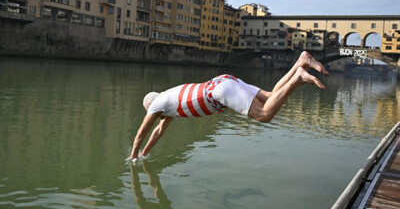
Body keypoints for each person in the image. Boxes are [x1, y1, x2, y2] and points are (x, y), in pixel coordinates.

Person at [130, 51, 329, 160]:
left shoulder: (157, 104)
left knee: (264, 115)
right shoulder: (169, 101)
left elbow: (142, 133)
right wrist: (144, 154)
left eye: (150, 112)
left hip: (218, 92)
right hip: (222, 80)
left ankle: (298, 78)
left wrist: (132, 156)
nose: (154, 116)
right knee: (270, 97)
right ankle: (300, 62)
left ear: (150, 106)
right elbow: (157, 132)